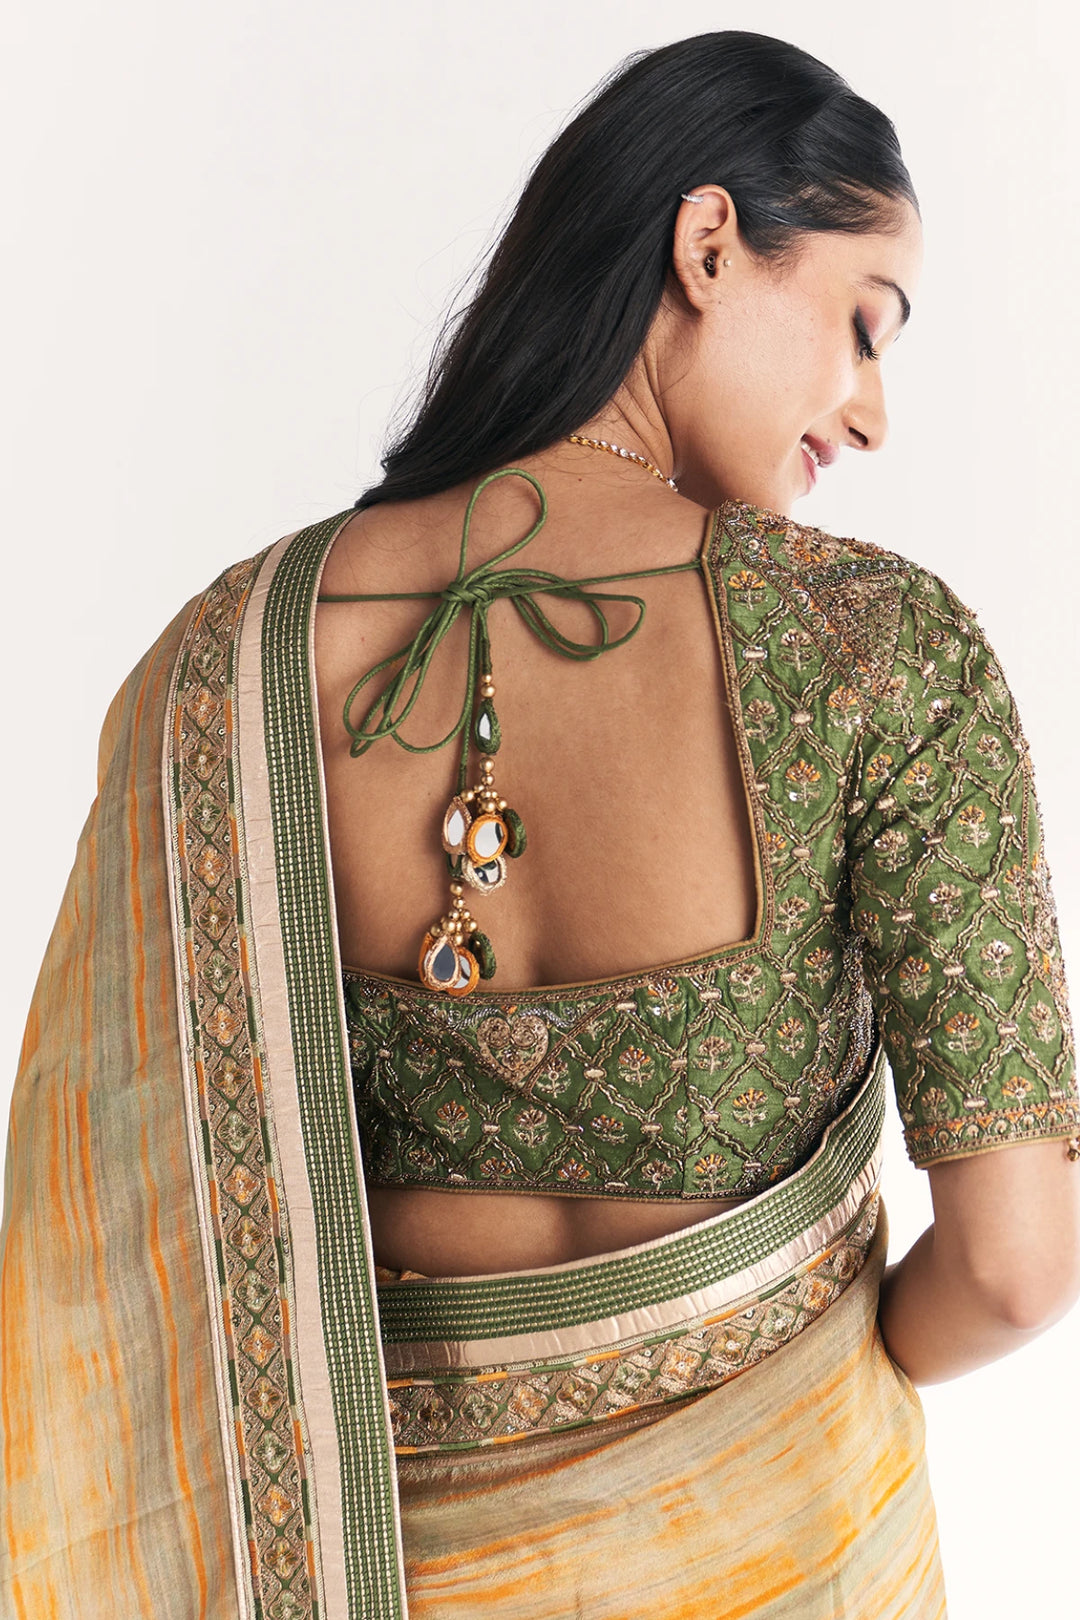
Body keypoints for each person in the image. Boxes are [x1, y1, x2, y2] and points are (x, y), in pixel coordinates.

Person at [2, 27, 1078, 1620]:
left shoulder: (226, 666)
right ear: (710, 244)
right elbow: (1014, 1266)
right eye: (865, 323)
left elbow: (113, 1266)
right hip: (795, 1552)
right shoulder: (878, 651)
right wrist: (801, 1378)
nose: (868, 412)